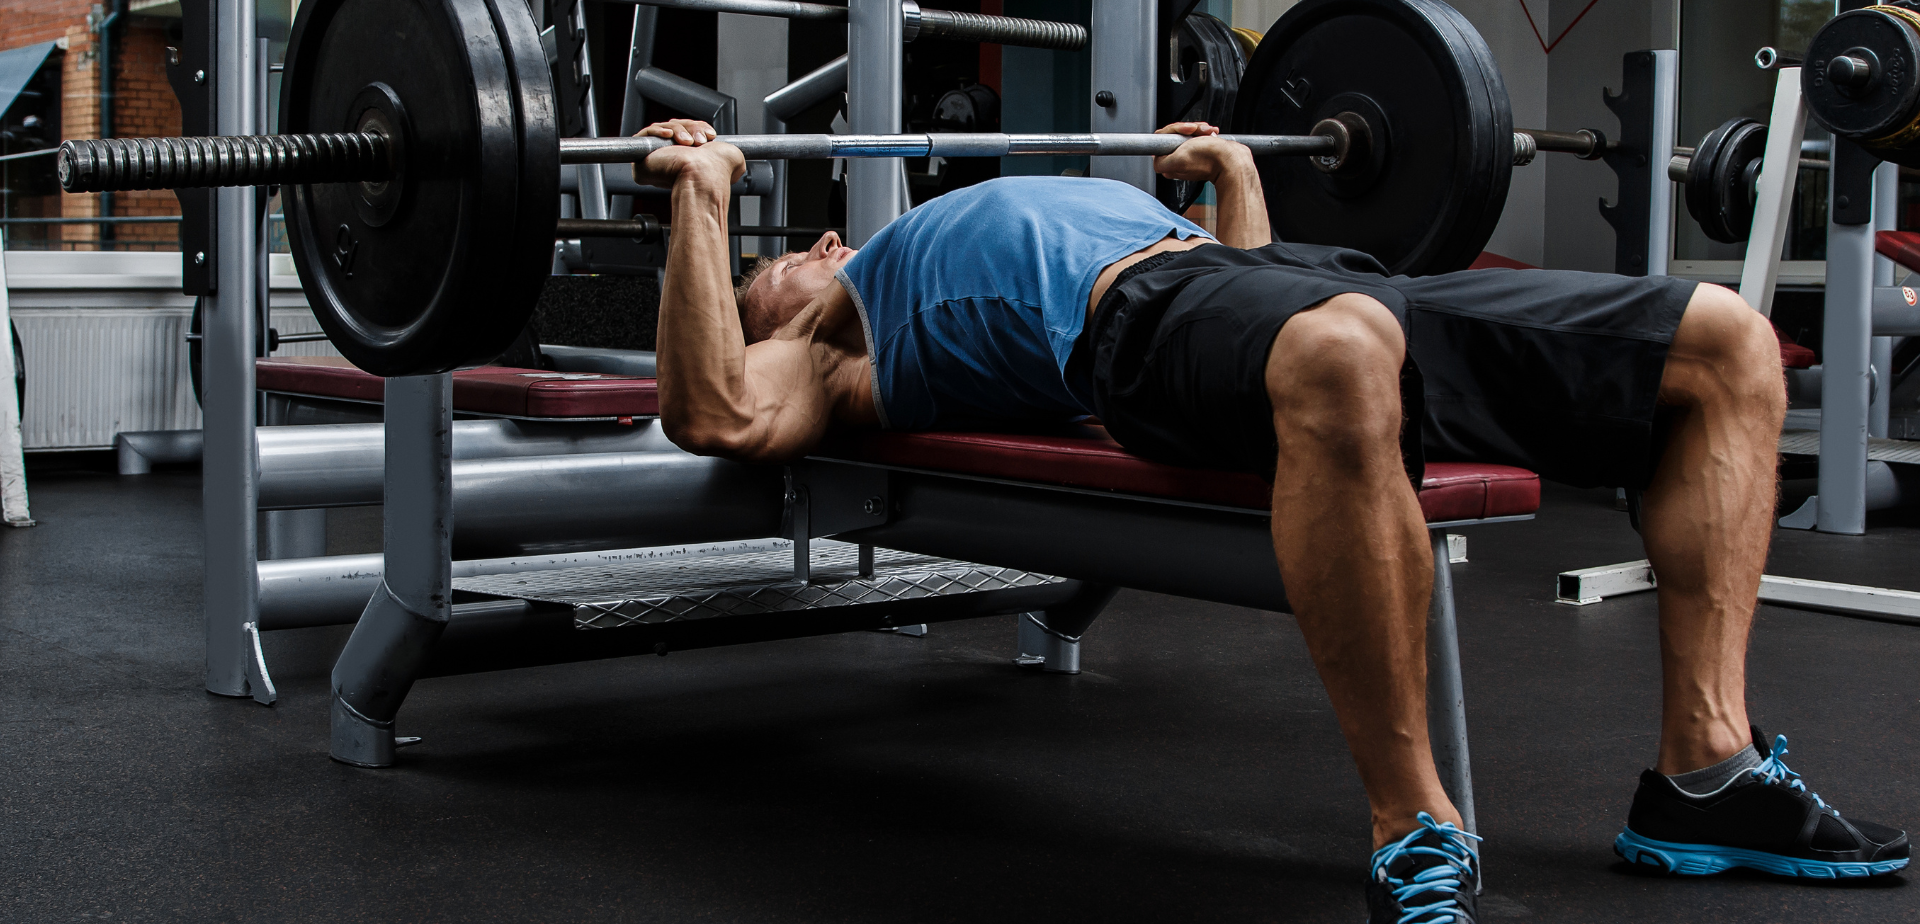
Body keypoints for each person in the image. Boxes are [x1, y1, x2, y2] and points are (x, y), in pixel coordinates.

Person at [633, 117, 1907, 923]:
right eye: (771, 262)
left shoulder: (883, 249)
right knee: (1343, 357)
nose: (804, 245)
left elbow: (1250, 307)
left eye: (795, 243)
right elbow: (716, 416)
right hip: (1127, 326)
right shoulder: (833, 344)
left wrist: (1236, 178)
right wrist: (702, 194)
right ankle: (1415, 825)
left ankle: (1705, 772)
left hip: (1280, 283)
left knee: (1727, 343)